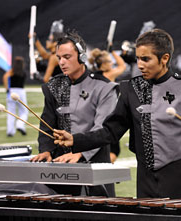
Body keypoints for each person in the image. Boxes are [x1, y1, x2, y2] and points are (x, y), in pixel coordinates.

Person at [54, 29, 181, 199]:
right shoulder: (131, 90)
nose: (140, 64)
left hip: (178, 179)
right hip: (145, 180)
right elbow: (110, 132)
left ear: (164, 58)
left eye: (146, 59)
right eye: (138, 59)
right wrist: (75, 140)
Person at [30, 30, 118, 197]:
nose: (62, 62)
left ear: (82, 57)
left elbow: (102, 129)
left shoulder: (103, 87)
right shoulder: (54, 86)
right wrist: (46, 150)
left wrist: (80, 152)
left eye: (67, 57)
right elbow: (47, 123)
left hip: (94, 164)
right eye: (59, 57)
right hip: (60, 168)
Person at [88, 46, 126, 163]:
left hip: (95, 115)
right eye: (109, 61)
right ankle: (106, 170)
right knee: (114, 150)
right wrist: (113, 50)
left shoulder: (92, 76)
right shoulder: (109, 75)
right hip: (108, 117)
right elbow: (122, 65)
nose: (112, 63)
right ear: (103, 64)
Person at [2, 56, 28, 137]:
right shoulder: (23, 72)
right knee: (24, 111)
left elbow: (5, 77)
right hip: (21, 92)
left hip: (12, 91)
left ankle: (10, 131)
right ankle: (20, 125)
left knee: (10, 112)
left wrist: (7, 88)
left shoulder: (12, 71)